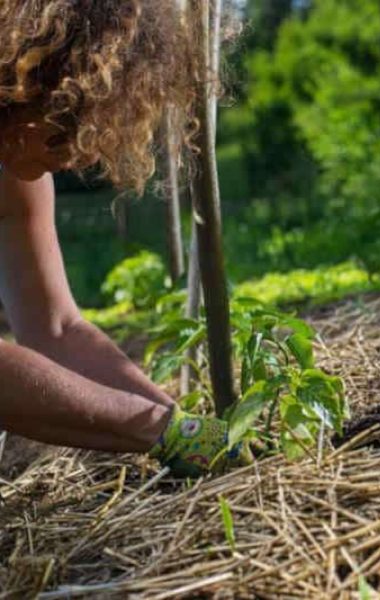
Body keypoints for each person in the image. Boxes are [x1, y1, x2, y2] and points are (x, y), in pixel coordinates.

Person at [0, 0, 249, 477]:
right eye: (69, 123)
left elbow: (57, 330)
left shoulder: (16, 180)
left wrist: (182, 426)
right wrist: (156, 427)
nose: (76, 156)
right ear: (31, 86)